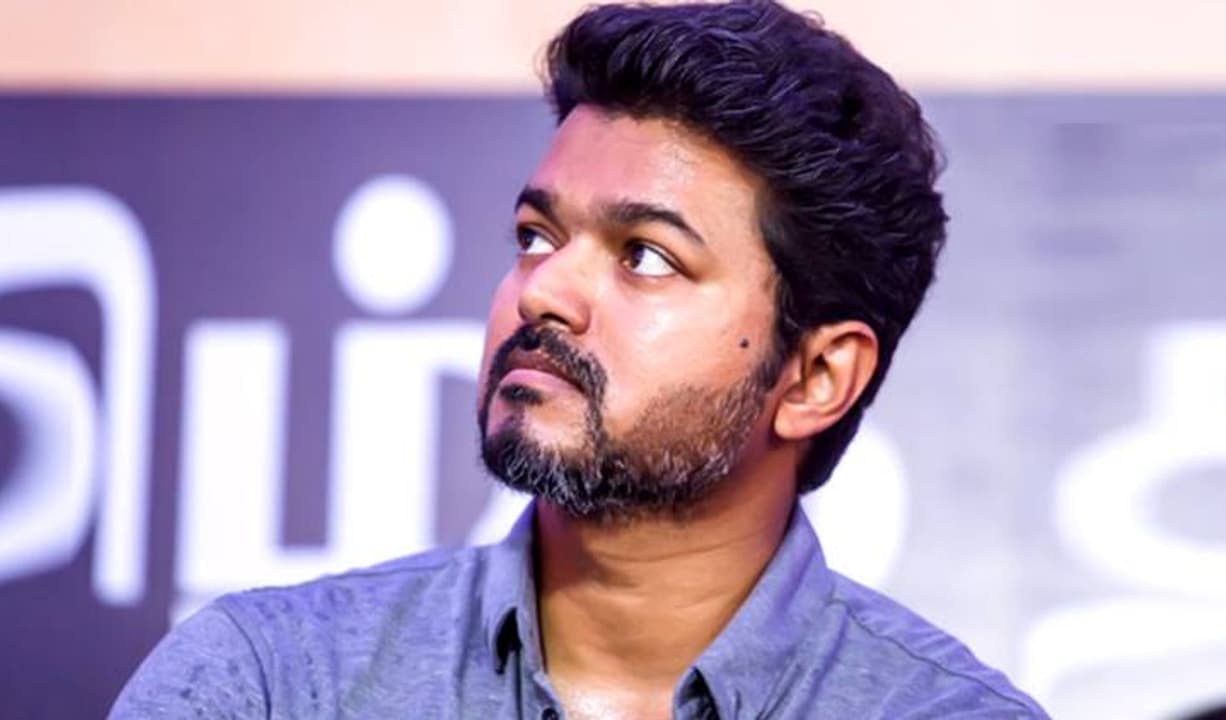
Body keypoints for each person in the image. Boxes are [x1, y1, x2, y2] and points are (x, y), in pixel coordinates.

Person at [111, 1, 1048, 717]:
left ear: (816, 377)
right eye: (536, 235)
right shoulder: (269, 683)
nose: (543, 292)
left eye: (647, 256)